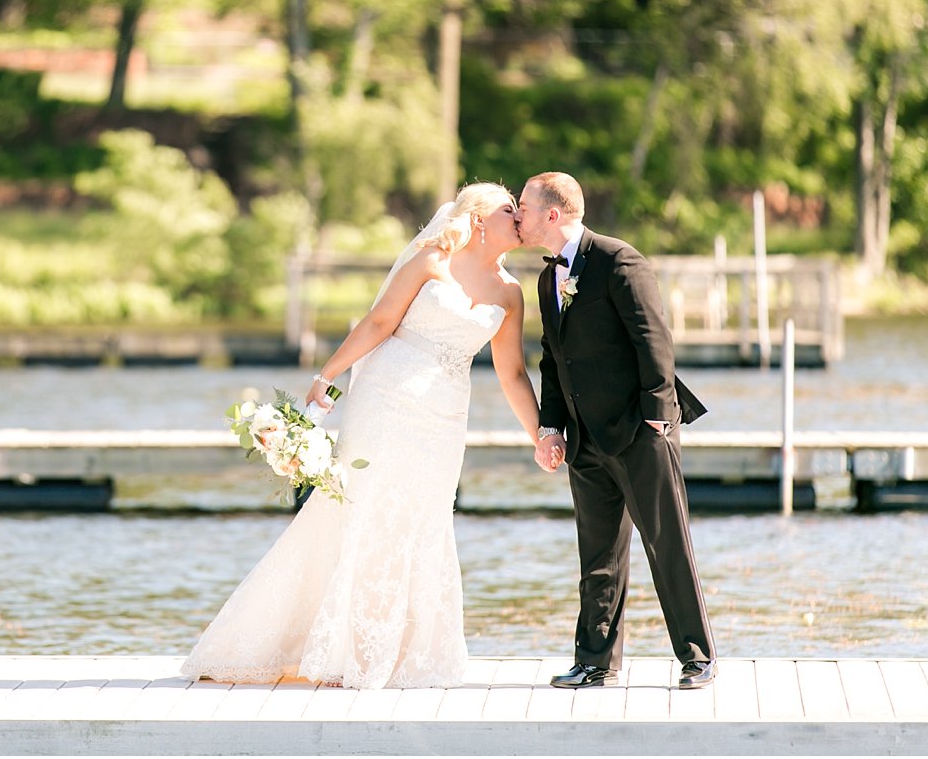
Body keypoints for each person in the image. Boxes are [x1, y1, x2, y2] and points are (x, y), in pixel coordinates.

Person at [181, 182, 559, 689]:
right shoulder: (430, 261)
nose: (518, 217)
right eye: (508, 209)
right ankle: (343, 651)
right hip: (386, 401)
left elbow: (512, 373)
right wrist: (328, 374)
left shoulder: (510, 293)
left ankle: (400, 652)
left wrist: (539, 434)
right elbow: (380, 320)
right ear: (476, 220)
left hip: (445, 417)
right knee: (363, 512)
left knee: (423, 520)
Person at [514, 171, 717, 690]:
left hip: (639, 431)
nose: (518, 214)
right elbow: (552, 361)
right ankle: (595, 661)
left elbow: (654, 340)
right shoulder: (546, 279)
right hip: (584, 440)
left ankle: (698, 658)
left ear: (552, 214)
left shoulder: (619, 261)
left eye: (524, 206)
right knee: (598, 555)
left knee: (667, 544)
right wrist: (551, 426)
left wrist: (657, 417)